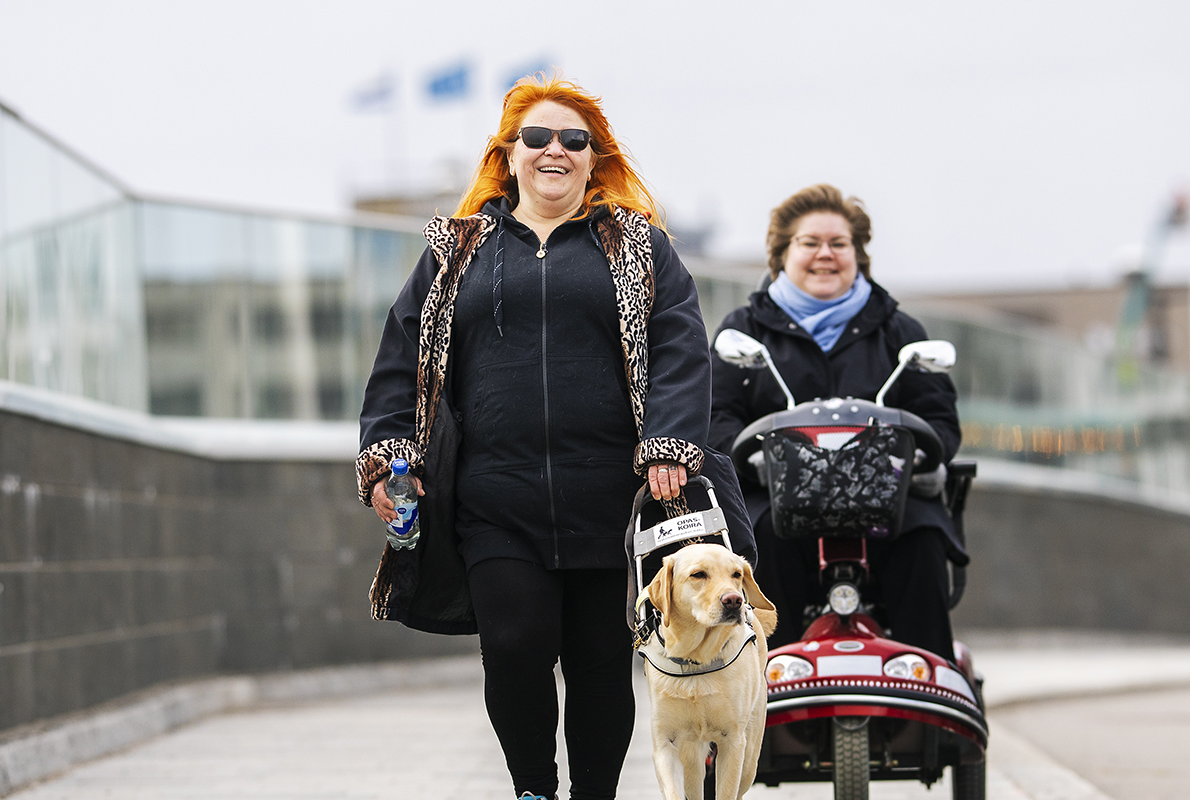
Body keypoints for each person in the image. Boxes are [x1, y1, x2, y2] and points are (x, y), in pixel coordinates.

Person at [356, 75, 711, 800]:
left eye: (574, 140)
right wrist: (387, 457)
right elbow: (402, 361)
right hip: (495, 496)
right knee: (514, 650)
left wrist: (670, 445)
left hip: (609, 495)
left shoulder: (641, 251)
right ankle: (532, 791)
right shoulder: (454, 253)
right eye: (538, 138)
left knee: (600, 663)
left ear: (594, 158)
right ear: (507, 153)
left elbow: (681, 349)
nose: (556, 150)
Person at [708, 184, 962, 658]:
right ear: (783, 253)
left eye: (838, 244)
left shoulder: (900, 332)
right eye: (809, 243)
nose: (825, 255)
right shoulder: (744, 331)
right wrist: (758, 461)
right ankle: (765, 689)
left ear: (857, 255)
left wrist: (917, 462)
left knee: (923, 540)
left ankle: (930, 696)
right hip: (778, 501)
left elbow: (941, 421)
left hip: (889, 500)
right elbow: (717, 417)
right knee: (759, 543)